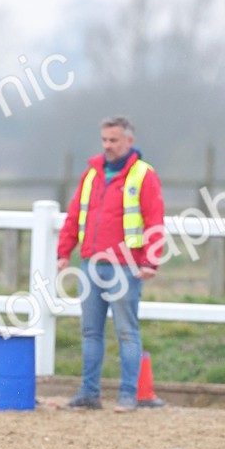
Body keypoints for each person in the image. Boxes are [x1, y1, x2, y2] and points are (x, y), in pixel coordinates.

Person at [56, 116, 164, 412]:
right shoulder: (91, 174)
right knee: (90, 332)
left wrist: (150, 261)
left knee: (127, 332)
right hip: (91, 264)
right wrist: (64, 252)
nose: (107, 145)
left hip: (126, 267)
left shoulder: (143, 175)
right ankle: (89, 393)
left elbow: (154, 219)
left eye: (113, 140)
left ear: (129, 141)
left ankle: (128, 395)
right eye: (104, 139)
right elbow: (75, 215)